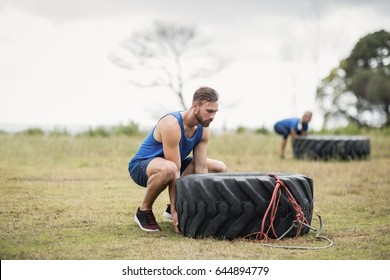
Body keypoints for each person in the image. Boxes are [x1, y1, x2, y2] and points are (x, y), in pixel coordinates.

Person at [128, 86, 227, 233]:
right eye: (209, 111)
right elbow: (175, 170)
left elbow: (201, 169)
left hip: (173, 166)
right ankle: (144, 211)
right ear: (195, 106)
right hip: (142, 167)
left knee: (219, 167)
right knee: (170, 168)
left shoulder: (204, 128)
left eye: (215, 112)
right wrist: (176, 210)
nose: (212, 116)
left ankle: (179, 207)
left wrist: (204, 206)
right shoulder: (171, 124)